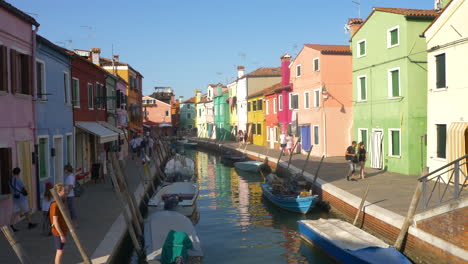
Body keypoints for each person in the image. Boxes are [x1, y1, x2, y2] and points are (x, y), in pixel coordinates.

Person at [9, 167, 37, 231]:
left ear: (13, 172)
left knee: (14, 212)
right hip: (21, 198)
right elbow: (23, 187)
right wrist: (27, 191)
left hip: (15, 198)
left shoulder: (10, 180)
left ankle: (11, 225)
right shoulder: (18, 179)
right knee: (26, 211)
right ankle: (30, 224)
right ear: (19, 173)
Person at [50, 183, 69, 264]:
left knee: (61, 250)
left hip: (63, 229)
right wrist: (61, 235)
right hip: (58, 231)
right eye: (64, 190)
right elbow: (55, 222)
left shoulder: (62, 200)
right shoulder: (55, 205)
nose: (66, 192)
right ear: (58, 192)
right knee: (59, 251)